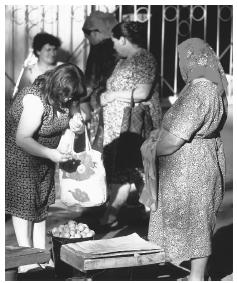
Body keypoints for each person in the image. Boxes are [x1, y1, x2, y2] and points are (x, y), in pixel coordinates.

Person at [140, 38, 228, 281]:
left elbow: (175, 139)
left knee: (195, 221)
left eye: (181, 58)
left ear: (189, 60)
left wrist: (149, 149)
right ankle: (197, 274)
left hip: (190, 166)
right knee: (199, 218)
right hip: (203, 158)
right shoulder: (213, 87)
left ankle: (196, 278)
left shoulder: (198, 91)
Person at [5, 63, 87, 273]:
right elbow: (22, 139)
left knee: (41, 204)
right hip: (20, 157)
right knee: (24, 206)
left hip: (45, 156)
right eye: (68, 97)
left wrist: (76, 125)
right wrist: (52, 154)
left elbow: (70, 119)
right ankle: (25, 260)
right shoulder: (35, 100)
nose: (70, 101)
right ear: (59, 88)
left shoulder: (65, 95)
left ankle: (40, 254)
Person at [99, 21, 162, 227]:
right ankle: (142, 214)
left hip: (135, 126)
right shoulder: (123, 61)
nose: (113, 45)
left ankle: (115, 216)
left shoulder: (144, 58)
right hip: (119, 128)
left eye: (115, 40)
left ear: (123, 39)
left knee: (135, 169)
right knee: (128, 170)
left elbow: (142, 93)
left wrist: (112, 95)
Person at [82, 11, 119, 151]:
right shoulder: (121, 46)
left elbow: (90, 83)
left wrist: (78, 99)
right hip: (125, 101)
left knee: (102, 148)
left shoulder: (98, 50)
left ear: (95, 33)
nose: (88, 40)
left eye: (88, 36)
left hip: (103, 103)